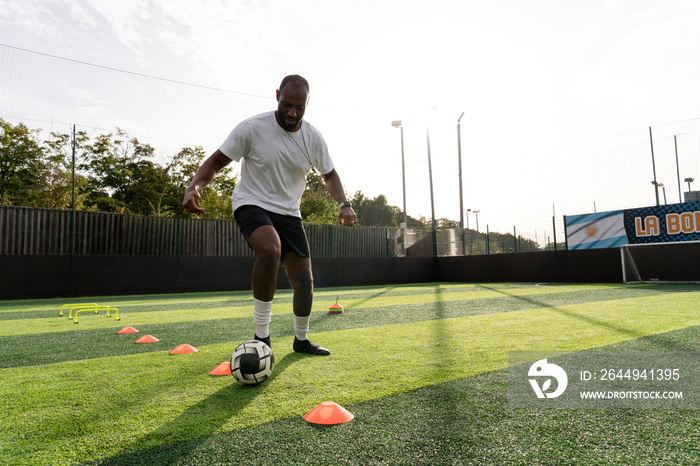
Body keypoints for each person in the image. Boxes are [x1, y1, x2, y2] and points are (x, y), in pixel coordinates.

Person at [182, 75, 356, 356]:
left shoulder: (313, 137)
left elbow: (330, 175)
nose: (292, 112)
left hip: (289, 212)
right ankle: (261, 338)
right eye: (287, 104)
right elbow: (216, 161)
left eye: (299, 107)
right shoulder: (252, 128)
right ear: (277, 95)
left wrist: (344, 203)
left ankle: (301, 340)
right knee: (270, 248)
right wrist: (194, 186)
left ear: (307, 104)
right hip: (252, 202)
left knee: (303, 281)